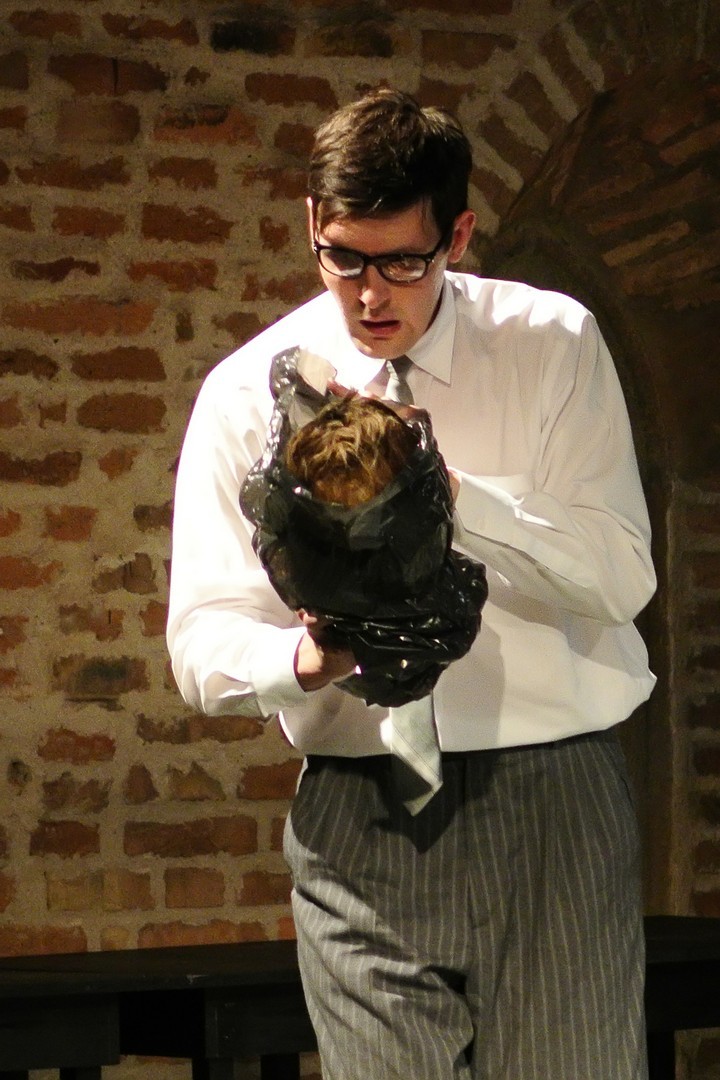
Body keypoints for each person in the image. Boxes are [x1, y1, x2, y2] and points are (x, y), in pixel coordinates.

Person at [167, 87, 657, 1079]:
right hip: (360, 812)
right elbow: (202, 643)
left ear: (457, 237)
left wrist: (446, 496)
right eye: (343, 258)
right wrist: (307, 659)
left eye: (403, 263)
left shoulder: (550, 343)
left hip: (552, 799)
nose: (370, 295)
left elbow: (620, 578)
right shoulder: (245, 391)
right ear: (313, 223)